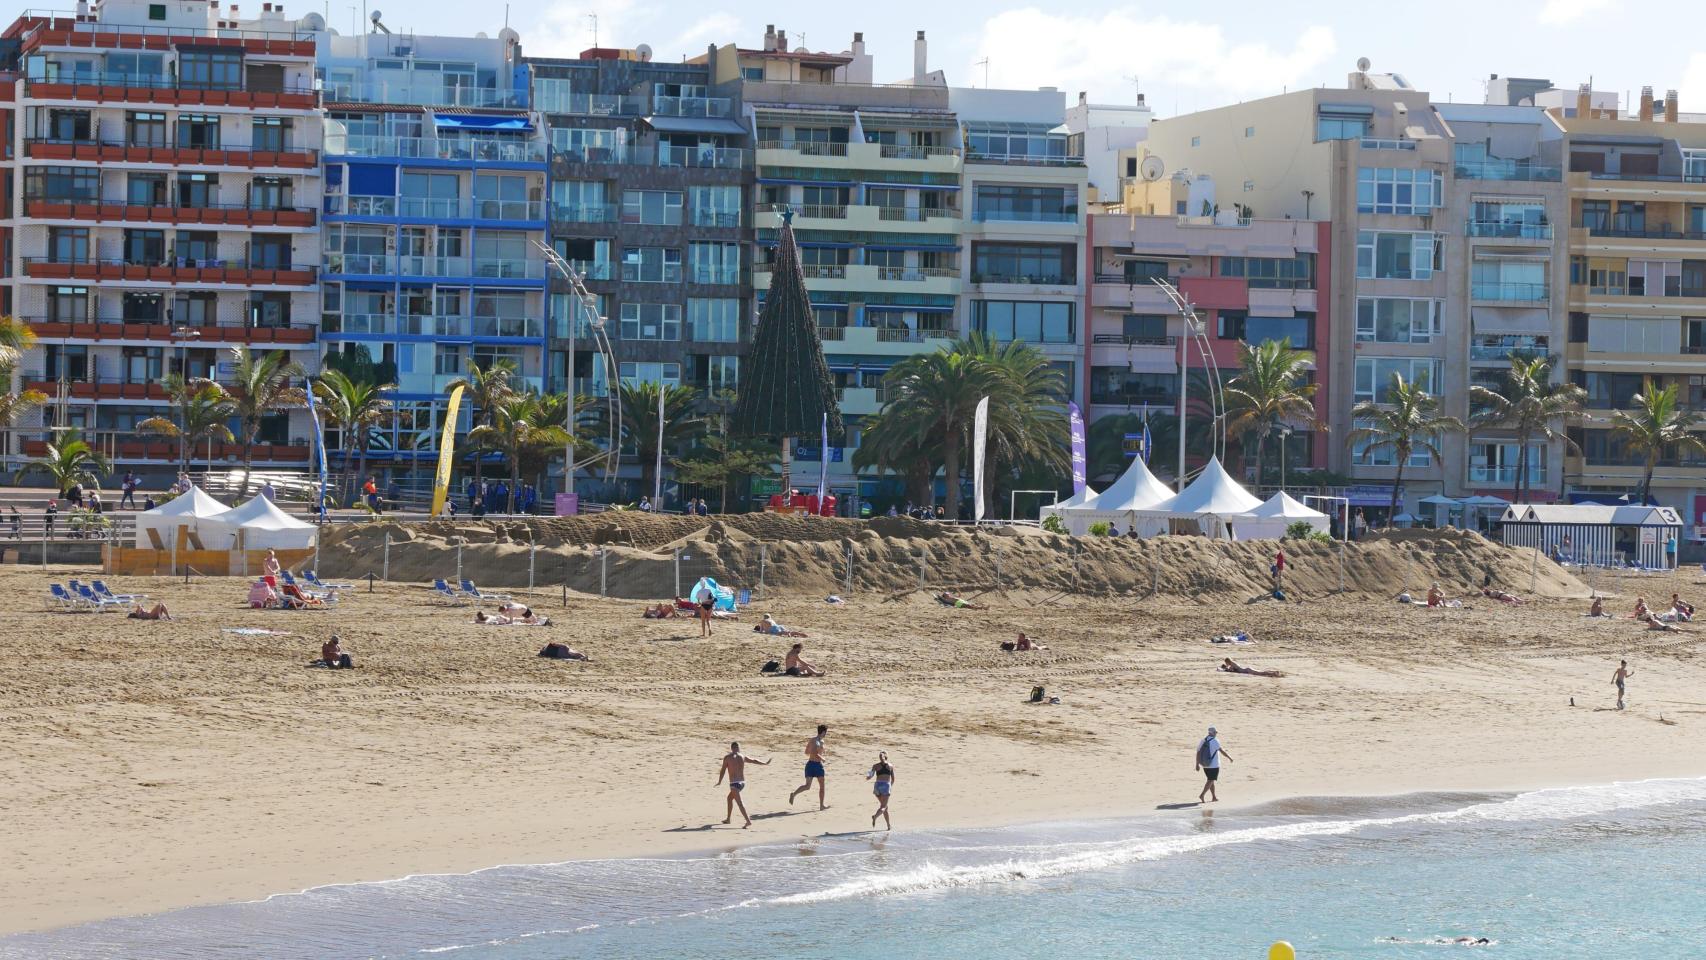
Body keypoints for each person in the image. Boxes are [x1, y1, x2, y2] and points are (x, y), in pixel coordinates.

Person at [716, 742, 770, 828]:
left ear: (731, 748)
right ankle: (728, 819)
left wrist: (719, 781)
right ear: (738, 748)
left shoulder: (727, 757)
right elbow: (754, 761)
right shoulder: (742, 756)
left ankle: (748, 821)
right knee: (729, 798)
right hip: (742, 783)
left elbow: (723, 770)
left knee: (739, 803)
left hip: (734, 783)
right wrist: (764, 763)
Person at [789, 724, 829, 809]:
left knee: (807, 786)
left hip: (810, 764)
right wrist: (822, 758)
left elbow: (806, 752)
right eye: (825, 732)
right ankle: (821, 806)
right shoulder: (818, 741)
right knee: (822, 785)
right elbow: (814, 752)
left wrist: (819, 751)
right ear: (823, 732)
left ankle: (794, 794)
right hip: (817, 765)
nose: (826, 734)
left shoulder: (812, 740)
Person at [1195, 726, 1232, 803]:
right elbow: (1221, 751)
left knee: (1211, 780)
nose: (1216, 734)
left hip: (1204, 764)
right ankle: (1202, 795)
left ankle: (1214, 797)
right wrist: (1229, 757)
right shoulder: (1215, 741)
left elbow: (1198, 752)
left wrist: (1197, 764)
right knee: (1211, 780)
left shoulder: (1203, 740)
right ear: (1213, 733)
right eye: (1215, 732)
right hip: (1214, 765)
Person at [865, 751, 896, 830]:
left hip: (877, 786)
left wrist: (867, 778)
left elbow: (870, 776)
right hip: (885, 785)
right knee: (883, 806)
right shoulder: (890, 766)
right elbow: (893, 779)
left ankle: (888, 826)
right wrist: (890, 786)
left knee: (885, 807)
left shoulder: (875, 766)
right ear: (886, 757)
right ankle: (875, 816)